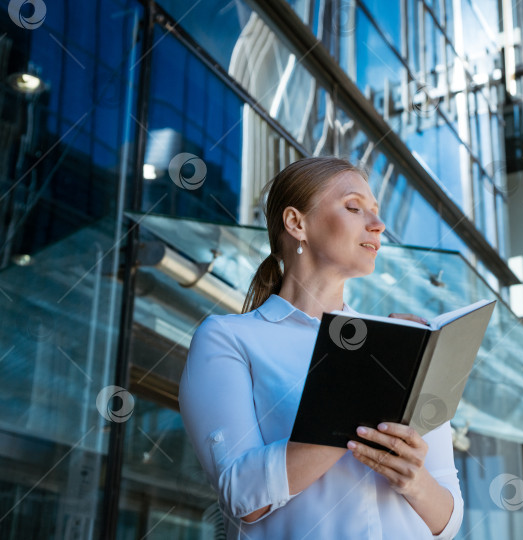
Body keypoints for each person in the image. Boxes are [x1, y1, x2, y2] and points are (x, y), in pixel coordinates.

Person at [178, 157, 464, 539]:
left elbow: (449, 521)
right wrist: (362, 392)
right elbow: (242, 496)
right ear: (297, 223)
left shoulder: (404, 345)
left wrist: (414, 480)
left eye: (376, 213)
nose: (378, 226)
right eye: (353, 207)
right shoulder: (229, 338)